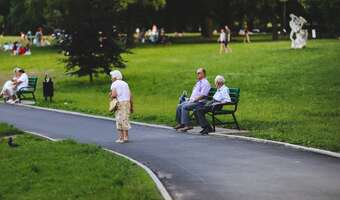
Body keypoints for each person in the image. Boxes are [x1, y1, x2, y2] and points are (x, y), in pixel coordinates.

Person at [174, 68, 211, 132]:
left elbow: (203, 95)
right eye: (197, 73)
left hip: (200, 102)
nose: (197, 74)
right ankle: (181, 123)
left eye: (199, 73)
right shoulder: (199, 82)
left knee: (185, 107)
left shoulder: (205, 83)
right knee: (179, 105)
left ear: (204, 74)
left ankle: (188, 125)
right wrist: (190, 99)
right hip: (194, 101)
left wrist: (194, 100)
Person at [110, 70, 134, 143]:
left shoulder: (114, 84)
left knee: (119, 119)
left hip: (119, 103)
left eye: (111, 76)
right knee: (125, 119)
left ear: (115, 77)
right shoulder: (125, 83)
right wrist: (132, 106)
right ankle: (126, 137)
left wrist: (110, 95)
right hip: (127, 102)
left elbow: (114, 95)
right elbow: (130, 95)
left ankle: (121, 137)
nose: (111, 78)